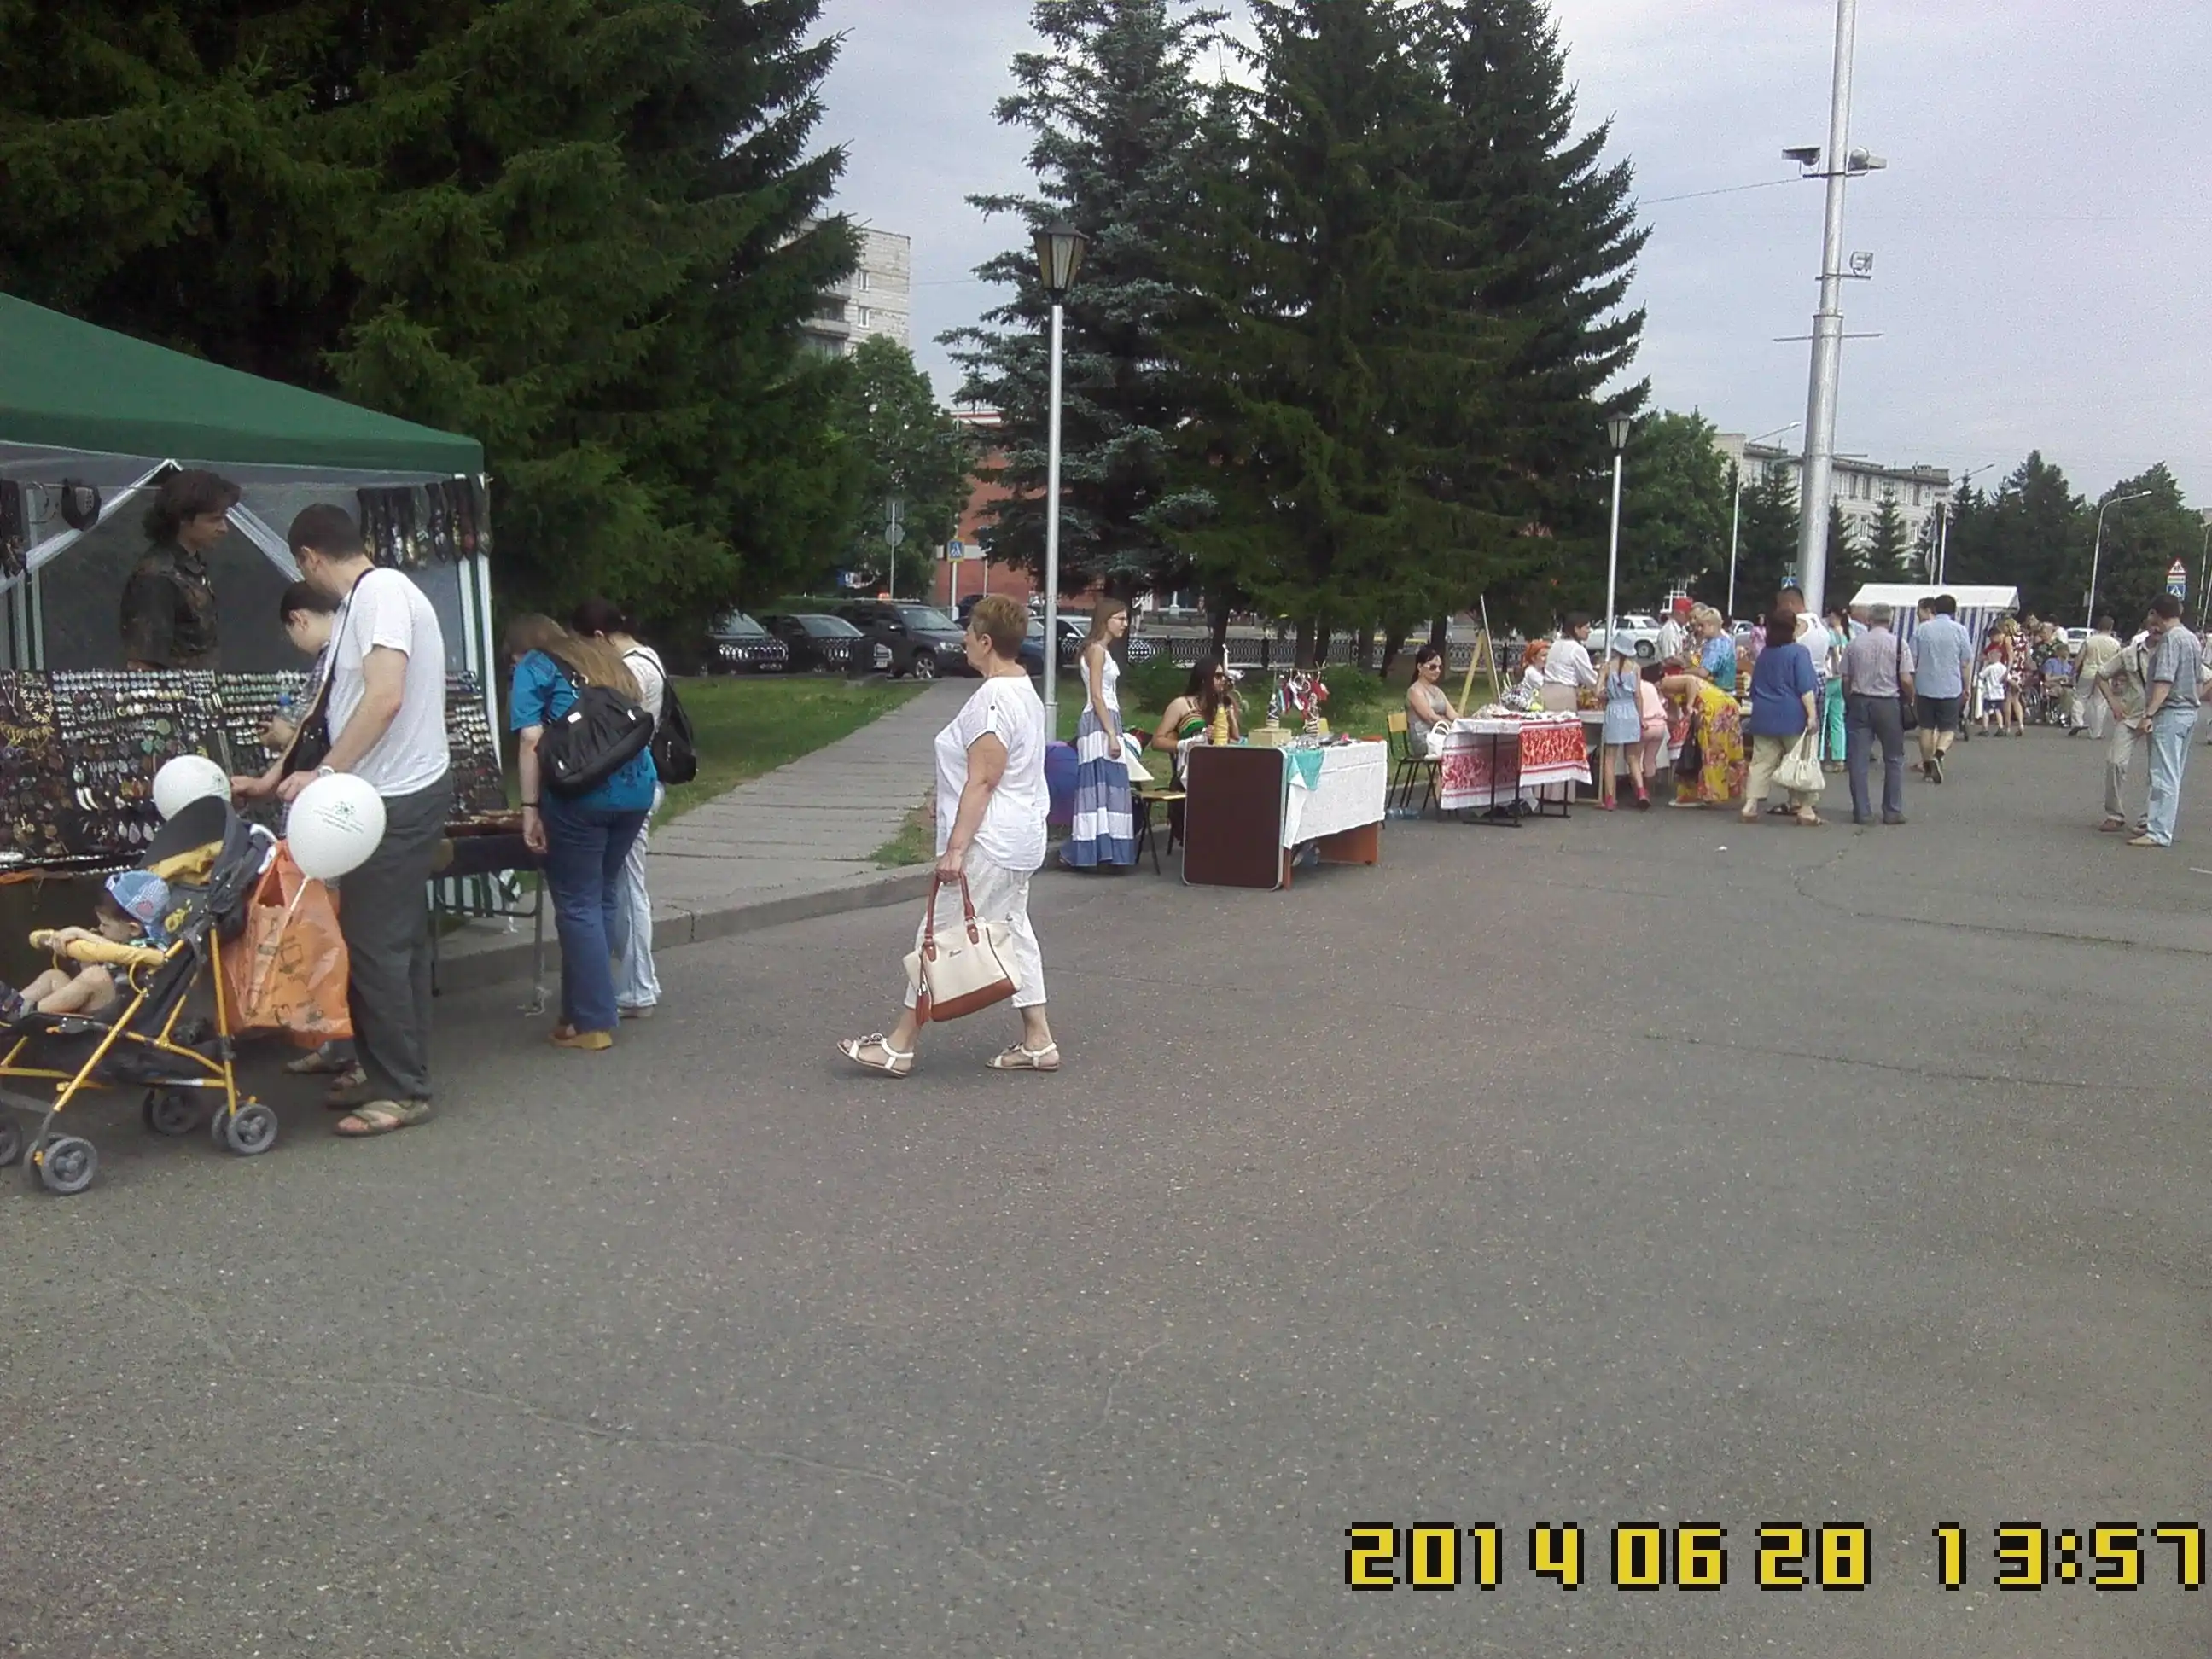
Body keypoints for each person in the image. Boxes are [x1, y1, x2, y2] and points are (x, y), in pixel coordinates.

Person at [236, 504, 450, 1139]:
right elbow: (325, 711)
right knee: (388, 943)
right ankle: (385, 1067)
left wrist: (326, 773)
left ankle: (403, 1090)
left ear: (308, 558)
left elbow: (385, 697)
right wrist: (274, 778)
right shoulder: (360, 604)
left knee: (378, 946)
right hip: (375, 798)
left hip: (396, 798)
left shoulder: (381, 594)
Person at [841, 594, 1056, 1077]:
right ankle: (1038, 1040)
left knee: (936, 934)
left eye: (970, 632)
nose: (963, 639)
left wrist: (956, 849)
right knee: (1013, 931)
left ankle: (899, 1046)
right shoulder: (1023, 689)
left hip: (990, 841)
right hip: (1021, 836)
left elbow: (984, 779)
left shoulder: (993, 700)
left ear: (986, 641)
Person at [509, 614, 658, 1046]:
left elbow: (531, 739)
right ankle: (576, 1013)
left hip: (580, 794)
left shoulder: (535, 666)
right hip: (636, 788)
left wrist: (530, 808)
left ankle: (593, 1022)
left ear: (521, 648)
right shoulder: (603, 657)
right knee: (602, 895)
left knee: (577, 903)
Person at [241, 581, 361, 1086]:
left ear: (298, 620)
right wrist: (270, 780)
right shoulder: (341, 659)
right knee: (324, 935)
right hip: (326, 818)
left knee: (332, 936)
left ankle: (349, 1049)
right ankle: (334, 1043)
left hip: (329, 820)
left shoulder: (337, 662)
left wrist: (282, 739)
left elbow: (324, 736)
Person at [573, 597, 668, 1016]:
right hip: (639, 780)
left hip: (628, 783)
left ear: (599, 637)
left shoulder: (632, 670)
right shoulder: (648, 658)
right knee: (624, 885)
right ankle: (634, 982)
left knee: (628, 888)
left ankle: (638, 986)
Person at [0, 873, 172, 1022]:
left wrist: (81, 934)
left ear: (133, 929)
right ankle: (10, 1009)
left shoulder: (152, 948)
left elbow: (123, 953)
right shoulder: (118, 940)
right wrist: (84, 955)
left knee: (96, 976)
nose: (101, 928)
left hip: (117, 1016)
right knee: (54, 976)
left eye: (106, 924)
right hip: (93, 1006)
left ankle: (26, 1014)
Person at [121, 468, 236, 671]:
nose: (223, 528)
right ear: (183, 519)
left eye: (223, 518)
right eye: (214, 519)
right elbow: (143, 662)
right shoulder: (157, 576)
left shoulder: (191, 566)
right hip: (171, 688)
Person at [1062, 599, 1136, 870]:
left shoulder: (1102, 650)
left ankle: (1105, 850)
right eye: (1120, 618)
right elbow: (1096, 695)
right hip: (1099, 720)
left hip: (1106, 717)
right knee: (1100, 782)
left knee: (1108, 783)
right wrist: (1111, 733)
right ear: (1105, 620)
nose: (1124, 624)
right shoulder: (1096, 651)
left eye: (1125, 619)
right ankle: (1094, 850)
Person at [2131, 596, 2207, 849]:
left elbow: (2164, 681)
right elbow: (2199, 679)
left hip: (2171, 712)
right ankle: (2157, 824)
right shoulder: (2191, 638)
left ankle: (2159, 831)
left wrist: (2148, 714)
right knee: (2173, 772)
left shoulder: (2170, 640)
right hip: (2188, 710)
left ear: (2156, 613)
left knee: (2163, 774)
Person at [1743, 611, 1823, 827]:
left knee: (1760, 762)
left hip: (1763, 715)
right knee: (1801, 761)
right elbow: (1805, 688)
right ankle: (1806, 809)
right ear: (1793, 628)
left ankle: (1750, 804)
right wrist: (1812, 715)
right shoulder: (1799, 652)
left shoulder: (1764, 654)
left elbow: (1754, 687)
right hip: (1792, 715)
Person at [1661, 608, 1745, 808]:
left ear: (1714, 625)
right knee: (1718, 750)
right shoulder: (1722, 642)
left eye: (1702, 625)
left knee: (1709, 751)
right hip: (1722, 699)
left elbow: (1703, 672)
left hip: (1713, 702)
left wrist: (1683, 671)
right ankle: (1718, 789)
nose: (1698, 629)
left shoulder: (1716, 645)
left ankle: (1706, 792)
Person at [1839, 602, 1913, 826]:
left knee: (1858, 759)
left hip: (1860, 700)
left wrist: (1849, 700)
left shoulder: (1854, 644)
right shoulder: (1899, 644)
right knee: (1893, 758)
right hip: (1889, 702)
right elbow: (1906, 679)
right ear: (1890, 620)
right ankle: (1892, 810)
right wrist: (1910, 698)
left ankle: (1862, 811)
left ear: (1869, 620)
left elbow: (1845, 678)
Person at [2084, 626, 2151, 834]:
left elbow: (2205, 676)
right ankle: (2114, 814)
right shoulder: (2130, 653)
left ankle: (2149, 818)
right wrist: (2113, 701)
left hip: (2160, 717)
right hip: (2130, 714)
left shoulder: (2174, 652)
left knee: (2157, 769)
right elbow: (2101, 674)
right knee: (2115, 761)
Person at [1911, 594, 1972, 783]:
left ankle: (1927, 766)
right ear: (1954, 611)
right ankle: (1938, 755)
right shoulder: (1960, 630)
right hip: (1950, 686)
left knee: (1926, 728)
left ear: (1934, 609)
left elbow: (1912, 659)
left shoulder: (1922, 630)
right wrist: (1967, 686)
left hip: (1924, 686)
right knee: (1948, 728)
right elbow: (1965, 661)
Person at [1151, 658, 1241, 773]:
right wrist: (1186, 745)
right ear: (1204, 679)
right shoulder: (1182, 704)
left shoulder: (1222, 707)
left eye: (1224, 676)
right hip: (1191, 770)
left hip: (1220, 767)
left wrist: (1230, 713)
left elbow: (1236, 741)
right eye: (1218, 676)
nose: (1223, 680)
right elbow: (1156, 742)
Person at [1598, 640, 1646, 809]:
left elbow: (1597, 691)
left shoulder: (1606, 667)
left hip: (1614, 710)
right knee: (1633, 757)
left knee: (1610, 758)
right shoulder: (1636, 668)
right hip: (1631, 710)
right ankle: (1641, 792)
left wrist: (1608, 694)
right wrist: (1641, 718)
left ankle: (1610, 799)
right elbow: (1638, 695)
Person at [1406, 643, 1458, 759]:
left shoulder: (1437, 691)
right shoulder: (1414, 691)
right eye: (1433, 667)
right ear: (1420, 667)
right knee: (1458, 745)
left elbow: (1453, 715)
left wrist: (1467, 724)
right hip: (1424, 739)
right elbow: (1430, 717)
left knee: (1466, 743)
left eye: (1440, 667)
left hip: (1440, 735)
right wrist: (1453, 727)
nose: (1437, 671)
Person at [2072, 616, 2121, 739]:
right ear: (2111, 627)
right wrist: (2117, 679)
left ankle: (2077, 722)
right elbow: (2118, 662)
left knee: (2080, 697)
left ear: (2099, 626)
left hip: (2088, 672)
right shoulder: (2115, 644)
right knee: (2100, 703)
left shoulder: (2090, 640)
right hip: (2105, 675)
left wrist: (2074, 671)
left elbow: (2080, 658)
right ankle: (2096, 733)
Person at [1540, 614, 1598, 713]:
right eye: (1587, 628)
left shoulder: (1555, 644)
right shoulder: (1577, 649)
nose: (1589, 631)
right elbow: (1589, 678)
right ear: (1576, 629)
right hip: (1564, 693)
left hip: (1546, 690)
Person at [1819, 606, 1852, 770]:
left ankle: (1819, 755)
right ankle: (1839, 757)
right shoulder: (1848, 634)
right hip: (1842, 679)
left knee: (1822, 718)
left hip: (1828, 677)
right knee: (1838, 719)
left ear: (1834, 616)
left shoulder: (1829, 634)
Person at [1636, 665, 1671, 791]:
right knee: (1650, 761)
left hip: (1646, 725)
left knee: (1635, 761)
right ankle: (1651, 791)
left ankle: (1640, 792)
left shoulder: (1634, 687)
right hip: (1660, 725)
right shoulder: (1650, 686)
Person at [1976, 649, 2010, 736]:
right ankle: (2000, 727)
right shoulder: (2003, 667)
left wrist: (1985, 665)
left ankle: (1985, 728)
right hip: (2000, 693)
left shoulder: (1990, 668)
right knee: (1998, 710)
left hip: (1990, 693)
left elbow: (1981, 675)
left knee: (1986, 710)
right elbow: (2008, 678)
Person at [1656, 599, 1691, 666]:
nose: (1689, 618)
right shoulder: (1669, 631)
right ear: (1679, 613)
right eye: (1687, 614)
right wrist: (1692, 663)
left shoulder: (1682, 628)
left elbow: (1687, 652)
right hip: (1667, 670)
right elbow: (1669, 659)